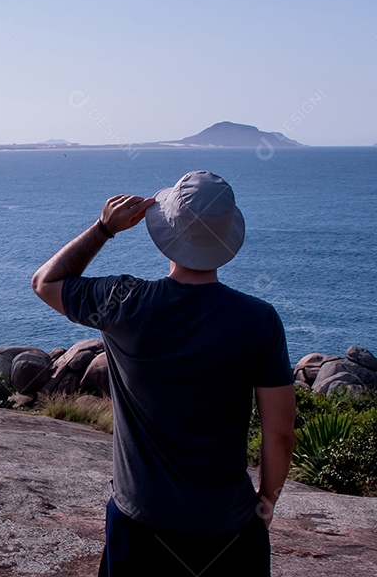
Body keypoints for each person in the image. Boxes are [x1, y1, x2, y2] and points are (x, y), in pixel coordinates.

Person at [30, 171, 296, 576]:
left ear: (168, 232)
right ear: (226, 237)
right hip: (228, 526)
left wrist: (104, 229)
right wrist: (267, 500)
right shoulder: (259, 320)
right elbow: (280, 433)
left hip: (141, 523)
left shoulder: (122, 301)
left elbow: (45, 282)